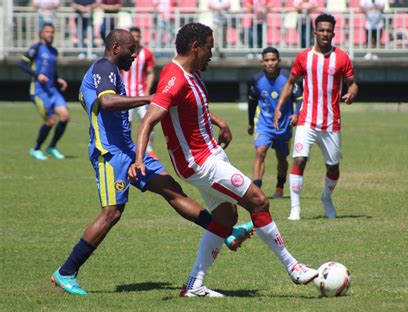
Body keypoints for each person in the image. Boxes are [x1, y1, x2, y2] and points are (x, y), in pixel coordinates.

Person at [50, 29, 253, 296]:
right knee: (112, 213)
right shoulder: (103, 67)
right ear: (114, 48)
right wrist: (152, 98)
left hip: (131, 151)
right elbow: (107, 102)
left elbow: (182, 103)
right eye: (131, 49)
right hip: (109, 154)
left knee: (172, 190)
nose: (135, 54)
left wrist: (214, 119)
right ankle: (65, 272)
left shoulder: (112, 71)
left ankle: (225, 232)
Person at [129, 22, 319, 298]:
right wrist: (139, 159)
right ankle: (294, 267)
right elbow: (148, 120)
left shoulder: (190, 73)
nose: (211, 54)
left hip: (209, 154)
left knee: (227, 216)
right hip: (198, 162)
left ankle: (194, 285)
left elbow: (195, 106)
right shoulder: (173, 78)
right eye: (209, 48)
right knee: (258, 201)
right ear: (195, 48)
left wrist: (219, 122)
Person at [274, 13, 358, 220]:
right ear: (315, 32)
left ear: (333, 33)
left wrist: (352, 93)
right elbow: (291, 82)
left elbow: (352, 83)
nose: (325, 34)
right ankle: (295, 208)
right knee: (299, 160)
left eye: (329, 31)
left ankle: (326, 198)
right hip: (306, 120)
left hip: (331, 122)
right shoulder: (304, 57)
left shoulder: (342, 58)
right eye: (322, 30)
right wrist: (279, 107)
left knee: (333, 167)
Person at [247, 46, 302, 198]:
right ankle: (257, 189)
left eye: (273, 60)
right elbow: (252, 103)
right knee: (260, 152)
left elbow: (299, 99)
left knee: (281, 157)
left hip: (283, 125)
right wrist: (251, 123)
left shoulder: (289, 78)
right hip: (263, 124)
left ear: (279, 61)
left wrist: (296, 114)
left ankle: (279, 186)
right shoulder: (256, 80)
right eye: (267, 60)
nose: (270, 63)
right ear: (262, 63)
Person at [20, 23, 69, 161]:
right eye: (47, 31)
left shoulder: (54, 51)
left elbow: (51, 70)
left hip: (52, 89)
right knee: (51, 120)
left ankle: (51, 147)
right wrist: (37, 75)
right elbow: (22, 63)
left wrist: (58, 79)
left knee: (65, 117)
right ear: (41, 33)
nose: (50, 34)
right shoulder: (36, 48)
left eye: (52, 32)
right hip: (39, 91)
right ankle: (35, 149)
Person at [121, 27, 158, 159]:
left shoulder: (146, 53)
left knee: (149, 121)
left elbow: (150, 72)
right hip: (126, 95)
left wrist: (147, 90)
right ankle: (127, 149)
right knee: (126, 124)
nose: (136, 38)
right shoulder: (123, 53)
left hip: (141, 94)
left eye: (138, 36)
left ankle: (149, 150)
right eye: (133, 36)